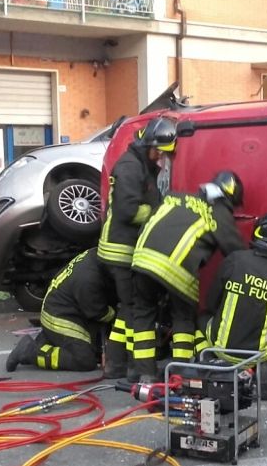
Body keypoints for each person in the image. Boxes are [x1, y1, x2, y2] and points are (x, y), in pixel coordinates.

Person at [130, 171, 247, 382]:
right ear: (230, 197)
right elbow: (236, 253)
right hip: (176, 270)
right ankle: (179, 374)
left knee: (143, 314)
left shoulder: (175, 197)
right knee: (183, 317)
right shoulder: (218, 213)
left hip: (141, 260)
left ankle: (144, 374)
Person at [97, 117, 176, 380]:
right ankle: (135, 368)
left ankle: (116, 365)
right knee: (135, 308)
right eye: (161, 152)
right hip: (120, 250)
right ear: (149, 146)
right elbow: (127, 210)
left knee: (126, 309)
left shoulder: (142, 165)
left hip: (127, 249)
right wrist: (159, 213)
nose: (162, 158)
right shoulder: (130, 167)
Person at [200, 209, 267, 401]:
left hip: (222, 349)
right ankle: (266, 371)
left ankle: (208, 361)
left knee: (202, 316)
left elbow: (211, 302)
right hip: (259, 357)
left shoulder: (235, 259)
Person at [5, 247, 117, 372]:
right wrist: (117, 315)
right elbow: (98, 312)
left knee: (93, 350)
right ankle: (30, 351)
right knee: (85, 360)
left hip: (64, 309)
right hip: (60, 317)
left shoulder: (95, 255)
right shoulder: (88, 280)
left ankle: (48, 342)